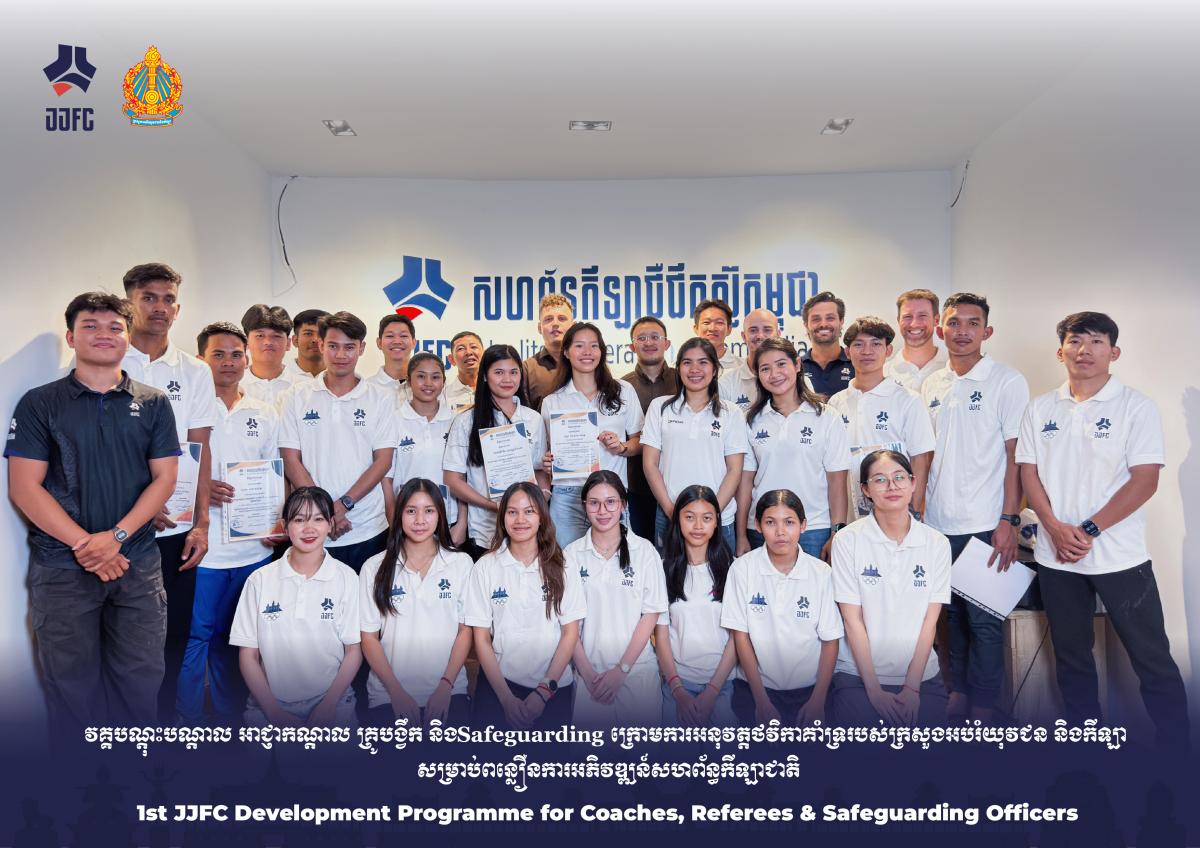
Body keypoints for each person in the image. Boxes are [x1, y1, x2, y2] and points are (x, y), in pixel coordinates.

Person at [5, 292, 179, 730]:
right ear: (71, 337)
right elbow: (24, 488)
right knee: (71, 689)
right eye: (90, 326)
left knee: (140, 684)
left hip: (136, 565)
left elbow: (164, 479)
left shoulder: (154, 402)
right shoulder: (40, 403)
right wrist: (88, 546)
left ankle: (135, 768)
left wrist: (116, 538)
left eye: (115, 327)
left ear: (128, 337)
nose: (104, 334)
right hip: (62, 568)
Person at [1016, 311, 1189, 749]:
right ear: (1061, 352)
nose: (1085, 350)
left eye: (1096, 342)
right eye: (1075, 341)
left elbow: (1145, 480)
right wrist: (1054, 528)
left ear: (1114, 352)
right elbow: (1028, 474)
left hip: (1120, 556)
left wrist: (1089, 529)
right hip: (1056, 557)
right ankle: (1087, 748)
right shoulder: (1040, 408)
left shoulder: (1136, 406)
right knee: (1072, 659)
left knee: (1151, 658)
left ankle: (1177, 750)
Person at [921, 293, 1029, 722]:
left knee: (984, 621)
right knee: (949, 617)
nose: (962, 331)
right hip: (937, 523)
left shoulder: (1007, 381)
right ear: (940, 329)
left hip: (986, 521)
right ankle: (959, 691)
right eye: (954, 322)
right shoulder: (933, 384)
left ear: (987, 331)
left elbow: (1016, 456)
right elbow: (925, 455)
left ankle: (984, 705)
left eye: (972, 323)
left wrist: (1009, 518)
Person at [119, 262, 216, 721]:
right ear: (130, 303)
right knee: (123, 637)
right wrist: (141, 502)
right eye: (149, 297)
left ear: (178, 308)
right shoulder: (109, 360)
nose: (160, 307)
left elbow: (200, 447)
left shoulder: (195, 371)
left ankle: (163, 730)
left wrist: (202, 522)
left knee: (174, 633)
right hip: (121, 526)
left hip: (177, 528)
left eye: (168, 299)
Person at [177, 322, 281, 724]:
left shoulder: (263, 411)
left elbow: (275, 473)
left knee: (235, 638)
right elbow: (173, 468)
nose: (229, 362)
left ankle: (228, 719)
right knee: (196, 637)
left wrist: (276, 519)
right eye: (218, 355)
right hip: (203, 550)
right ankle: (186, 723)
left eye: (237, 355)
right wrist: (202, 488)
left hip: (253, 549)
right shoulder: (187, 409)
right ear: (201, 359)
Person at [830, 450, 951, 727]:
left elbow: (929, 621)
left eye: (899, 477)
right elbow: (852, 621)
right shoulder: (848, 540)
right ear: (865, 489)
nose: (892, 486)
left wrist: (912, 688)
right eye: (880, 480)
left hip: (920, 675)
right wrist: (873, 690)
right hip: (858, 674)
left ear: (913, 483)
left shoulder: (936, 543)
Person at [230, 487, 362, 726]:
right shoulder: (260, 580)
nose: (309, 528)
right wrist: (274, 712)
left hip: (332, 699)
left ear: (331, 524)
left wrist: (329, 705)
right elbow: (248, 655)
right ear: (284, 526)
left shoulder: (347, 577)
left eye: (318, 519)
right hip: (269, 702)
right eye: (299, 520)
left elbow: (353, 651)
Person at [278, 311, 397, 572]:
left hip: (368, 526)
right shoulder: (296, 396)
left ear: (361, 348)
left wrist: (343, 505)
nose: (341, 355)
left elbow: (383, 461)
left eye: (349, 347)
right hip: (312, 528)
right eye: (333, 346)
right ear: (321, 345)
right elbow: (290, 458)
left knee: (369, 598)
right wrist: (323, 513)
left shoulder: (381, 398)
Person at [464, 483, 584, 730]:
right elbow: (481, 639)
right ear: (502, 517)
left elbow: (570, 633)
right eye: (512, 512)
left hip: (552, 689)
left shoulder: (564, 565)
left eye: (529, 511)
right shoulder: (486, 567)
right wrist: (506, 700)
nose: (520, 520)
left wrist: (542, 693)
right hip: (499, 687)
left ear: (542, 517)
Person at [359, 479, 473, 727]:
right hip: (387, 694)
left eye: (429, 510)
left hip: (449, 690)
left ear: (440, 515)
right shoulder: (374, 567)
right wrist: (396, 692)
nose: (420, 520)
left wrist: (445, 686)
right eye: (411, 511)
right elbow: (368, 638)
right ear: (399, 514)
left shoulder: (461, 563)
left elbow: (465, 631)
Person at [723, 490, 843, 726]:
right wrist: (761, 700)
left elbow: (830, 640)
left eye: (789, 522)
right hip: (754, 687)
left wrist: (818, 700)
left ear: (803, 526)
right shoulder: (742, 569)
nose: (780, 532)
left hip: (811, 689)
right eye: (770, 522)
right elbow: (741, 636)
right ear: (758, 526)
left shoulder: (821, 573)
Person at [566, 471, 667, 727]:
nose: (603, 511)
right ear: (584, 506)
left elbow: (651, 614)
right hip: (590, 676)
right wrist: (588, 674)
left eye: (611, 502)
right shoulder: (571, 555)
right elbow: (568, 623)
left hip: (637, 672)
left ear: (623, 505)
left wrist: (622, 670)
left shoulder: (645, 552)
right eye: (594, 503)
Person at [737, 338, 849, 560]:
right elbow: (745, 483)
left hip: (813, 529)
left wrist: (836, 532)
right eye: (765, 369)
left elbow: (837, 482)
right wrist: (741, 534)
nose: (774, 374)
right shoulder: (750, 420)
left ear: (797, 365)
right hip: (761, 528)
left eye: (781, 364)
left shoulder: (826, 416)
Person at [540, 323, 644, 548]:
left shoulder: (623, 391)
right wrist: (548, 462)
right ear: (566, 352)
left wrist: (621, 447)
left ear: (602, 351)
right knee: (568, 562)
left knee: (615, 560)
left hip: (611, 494)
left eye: (594, 346)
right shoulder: (552, 401)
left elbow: (640, 441)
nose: (587, 352)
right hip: (567, 496)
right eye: (579, 346)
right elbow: (547, 452)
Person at [444, 344, 550, 560]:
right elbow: (452, 480)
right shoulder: (466, 421)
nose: (507, 379)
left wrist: (544, 496)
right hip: (483, 530)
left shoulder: (533, 419)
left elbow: (539, 470)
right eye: (499, 372)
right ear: (485, 376)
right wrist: (493, 506)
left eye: (514, 372)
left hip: (526, 528)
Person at [641, 338, 748, 552]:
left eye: (703, 362)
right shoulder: (660, 407)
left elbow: (735, 470)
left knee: (720, 574)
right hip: (669, 515)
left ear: (715, 370)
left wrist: (711, 515)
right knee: (669, 573)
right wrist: (672, 512)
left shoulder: (731, 412)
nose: (695, 369)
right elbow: (650, 465)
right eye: (687, 362)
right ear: (678, 368)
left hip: (720, 517)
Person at [826, 316, 934, 521]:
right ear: (847, 352)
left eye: (876, 344)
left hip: (896, 514)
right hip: (849, 517)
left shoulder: (908, 400)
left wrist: (914, 511)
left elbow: (920, 460)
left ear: (888, 350)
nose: (867, 351)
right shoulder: (836, 403)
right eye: (859, 344)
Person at [655, 486, 738, 727]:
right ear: (678, 520)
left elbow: (737, 637)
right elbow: (661, 636)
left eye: (707, 518)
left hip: (722, 683)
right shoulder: (662, 569)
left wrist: (712, 691)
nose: (698, 526)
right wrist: (678, 690)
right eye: (690, 517)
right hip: (676, 683)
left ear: (716, 523)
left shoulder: (733, 569)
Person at [383, 352, 467, 545]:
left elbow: (464, 477)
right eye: (421, 376)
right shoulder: (393, 421)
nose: (428, 383)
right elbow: (386, 480)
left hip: (449, 520)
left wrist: (462, 523)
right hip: (407, 521)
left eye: (435, 377)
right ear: (409, 381)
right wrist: (394, 522)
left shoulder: (457, 421)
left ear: (443, 382)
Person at [621, 316, 678, 540]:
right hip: (636, 487)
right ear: (632, 346)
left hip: (676, 484)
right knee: (639, 549)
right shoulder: (621, 387)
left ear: (667, 343)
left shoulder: (684, 381)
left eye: (655, 337)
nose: (649, 342)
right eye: (642, 338)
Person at [240, 304, 310, 407]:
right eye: (260, 335)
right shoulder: (234, 386)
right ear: (246, 343)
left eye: (276, 336)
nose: (268, 342)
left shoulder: (307, 386)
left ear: (288, 343)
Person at [884, 289, 947, 392]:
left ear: (936, 320)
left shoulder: (952, 369)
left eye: (922, 316)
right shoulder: (884, 374)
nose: (914, 324)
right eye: (907, 317)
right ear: (898, 320)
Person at [718, 307, 778, 411]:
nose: (760, 336)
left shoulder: (793, 379)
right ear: (744, 336)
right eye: (753, 330)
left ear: (778, 335)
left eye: (767, 330)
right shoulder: (725, 384)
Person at [523, 293, 574, 410]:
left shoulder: (587, 364)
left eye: (562, 318)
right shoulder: (527, 369)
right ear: (539, 328)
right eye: (548, 319)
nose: (555, 323)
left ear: (573, 326)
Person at [800, 291, 853, 398]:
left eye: (830, 318)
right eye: (816, 319)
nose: (823, 324)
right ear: (806, 325)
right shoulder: (796, 367)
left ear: (841, 321)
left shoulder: (857, 364)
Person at [370, 314, 416, 400]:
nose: (397, 341)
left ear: (414, 342)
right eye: (390, 336)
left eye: (403, 336)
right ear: (379, 343)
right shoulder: (367, 389)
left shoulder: (427, 387)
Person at [692, 299, 741, 374]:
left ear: (729, 329)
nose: (712, 328)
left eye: (719, 322)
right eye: (706, 322)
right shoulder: (681, 367)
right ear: (696, 329)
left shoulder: (743, 367)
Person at [444, 330, 484, 413]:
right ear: (451, 359)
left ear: (484, 354)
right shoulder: (443, 396)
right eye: (461, 349)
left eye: (473, 347)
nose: (468, 352)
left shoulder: (496, 390)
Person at [290, 308, 330, 379]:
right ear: (295, 340)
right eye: (308, 333)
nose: (316, 340)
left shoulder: (345, 378)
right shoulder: (280, 377)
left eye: (322, 334)